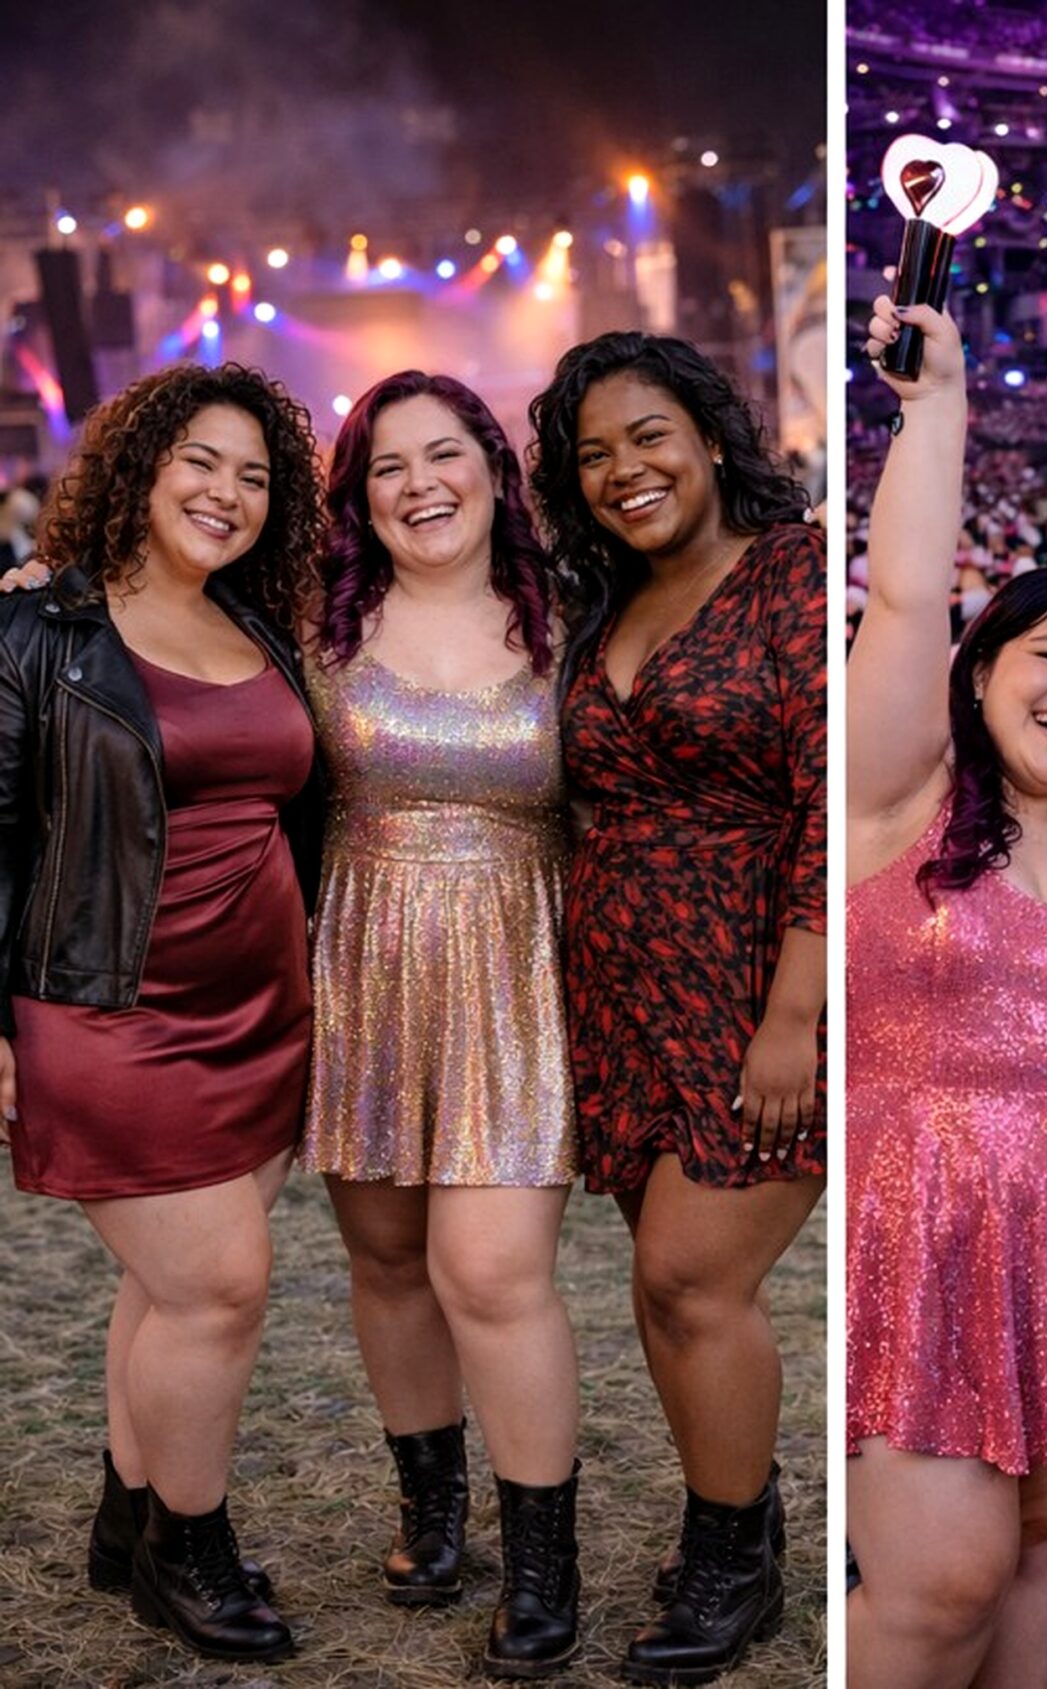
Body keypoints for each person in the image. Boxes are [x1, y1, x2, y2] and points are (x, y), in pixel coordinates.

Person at [843, 294, 1047, 1689]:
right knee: (939, 1587)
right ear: (977, 673)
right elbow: (904, 597)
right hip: (919, 1219)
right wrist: (936, 411)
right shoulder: (893, 797)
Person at [0, 362, 322, 1662]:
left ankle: (128, 1523)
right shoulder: (39, 629)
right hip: (107, 1007)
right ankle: (193, 1548)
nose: (226, 492)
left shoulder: (262, 624)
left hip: (264, 1010)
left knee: (167, 1285)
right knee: (218, 1287)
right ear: (139, 467)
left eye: (254, 476)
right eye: (200, 461)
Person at [527, 331, 824, 1684]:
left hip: (755, 985)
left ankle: (732, 1563)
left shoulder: (792, 572)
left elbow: (825, 805)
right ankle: (737, 1516)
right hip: (625, 990)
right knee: (668, 1293)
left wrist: (795, 1016)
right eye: (592, 455)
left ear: (709, 436)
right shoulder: (603, 603)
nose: (623, 470)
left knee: (692, 1277)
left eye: (648, 436)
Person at [304, 371, 585, 1674]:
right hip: (361, 964)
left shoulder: (571, 615)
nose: (420, 485)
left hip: (517, 968)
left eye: (443, 454)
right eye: (388, 466)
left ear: (494, 465)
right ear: (360, 497)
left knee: (492, 1271)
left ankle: (542, 1562)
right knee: (388, 1261)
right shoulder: (313, 623)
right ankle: (431, 1508)